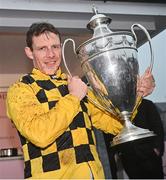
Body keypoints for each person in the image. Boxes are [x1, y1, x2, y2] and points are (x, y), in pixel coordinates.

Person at [6, 22, 155, 179]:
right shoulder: (21, 89)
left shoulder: (77, 86)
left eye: (55, 47)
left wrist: (136, 94)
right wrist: (74, 97)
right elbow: (39, 135)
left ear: (61, 47)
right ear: (29, 52)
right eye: (42, 48)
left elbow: (117, 126)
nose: (51, 54)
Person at [104, 98, 165, 179]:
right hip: (128, 156)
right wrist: (118, 152)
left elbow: (158, 126)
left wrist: (157, 148)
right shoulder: (114, 108)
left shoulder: (147, 104)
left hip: (150, 153)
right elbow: (111, 132)